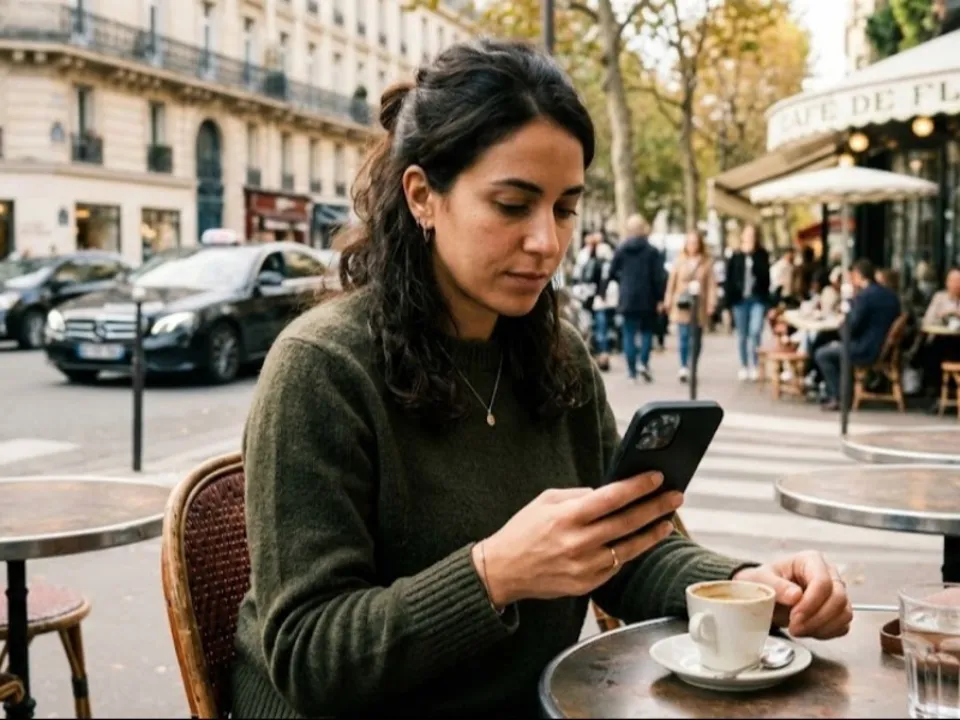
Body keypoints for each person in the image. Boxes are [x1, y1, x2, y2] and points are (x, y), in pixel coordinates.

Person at [231, 39, 853, 719]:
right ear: (422, 196)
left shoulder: (557, 357)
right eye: (512, 205)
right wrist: (494, 573)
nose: (547, 243)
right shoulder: (322, 368)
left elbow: (627, 552)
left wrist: (747, 587)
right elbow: (308, 658)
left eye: (563, 208)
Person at [814, 258, 902, 411]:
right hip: (882, 347)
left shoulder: (865, 297)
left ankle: (839, 396)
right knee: (832, 347)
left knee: (823, 353)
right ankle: (842, 393)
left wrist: (842, 323)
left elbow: (851, 328)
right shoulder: (890, 296)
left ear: (857, 275)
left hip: (865, 349)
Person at [609, 214, 665, 382]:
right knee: (647, 332)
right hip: (647, 298)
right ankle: (644, 363)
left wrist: (623, 282)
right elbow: (658, 277)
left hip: (627, 298)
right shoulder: (652, 251)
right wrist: (660, 298)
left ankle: (631, 371)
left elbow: (612, 272)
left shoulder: (621, 249)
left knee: (628, 334)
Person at [663, 230, 716, 382]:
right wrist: (667, 301)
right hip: (682, 304)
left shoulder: (706, 262)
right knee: (684, 336)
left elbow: (711, 285)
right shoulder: (679, 261)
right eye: (690, 242)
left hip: (699, 304)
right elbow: (671, 283)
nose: (692, 246)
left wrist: (711, 304)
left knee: (697, 339)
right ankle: (684, 367)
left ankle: (693, 365)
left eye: (695, 243)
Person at [724, 224, 771, 381]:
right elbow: (729, 279)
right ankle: (744, 365)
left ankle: (756, 364)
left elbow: (766, 278)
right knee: (742, 334)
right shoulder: (735, 255)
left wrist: (753, 260)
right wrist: (727, 304)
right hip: (740, 300)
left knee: (755, 331)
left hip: (757, 299)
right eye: (747, 234)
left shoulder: (761, 255)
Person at [571, 231, 615, 370]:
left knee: (600, 328)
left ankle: (602, 355)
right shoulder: (583, 254)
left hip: (598, 298)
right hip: (585, 297)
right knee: (587, 327)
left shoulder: (604, 254)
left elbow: (606, 275)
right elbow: (577, 275)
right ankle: (592, 355)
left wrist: (602, 293)